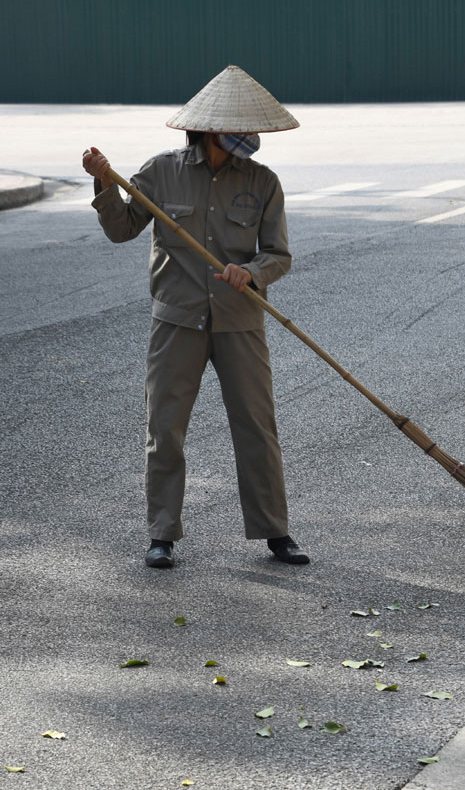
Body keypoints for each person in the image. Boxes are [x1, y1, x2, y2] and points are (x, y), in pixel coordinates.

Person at [82, 64, 309, 570]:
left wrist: (250, 273)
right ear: (208, 129)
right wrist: (105, 185)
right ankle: (162, 533)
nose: (245, 139)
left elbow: (279, 256)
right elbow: (121, 230)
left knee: (257, 428)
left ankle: (275, 532)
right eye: (235, 132)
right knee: (165, 429)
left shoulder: (263, 181)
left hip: (240, 321)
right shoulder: (160, 172)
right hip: (176, 321)